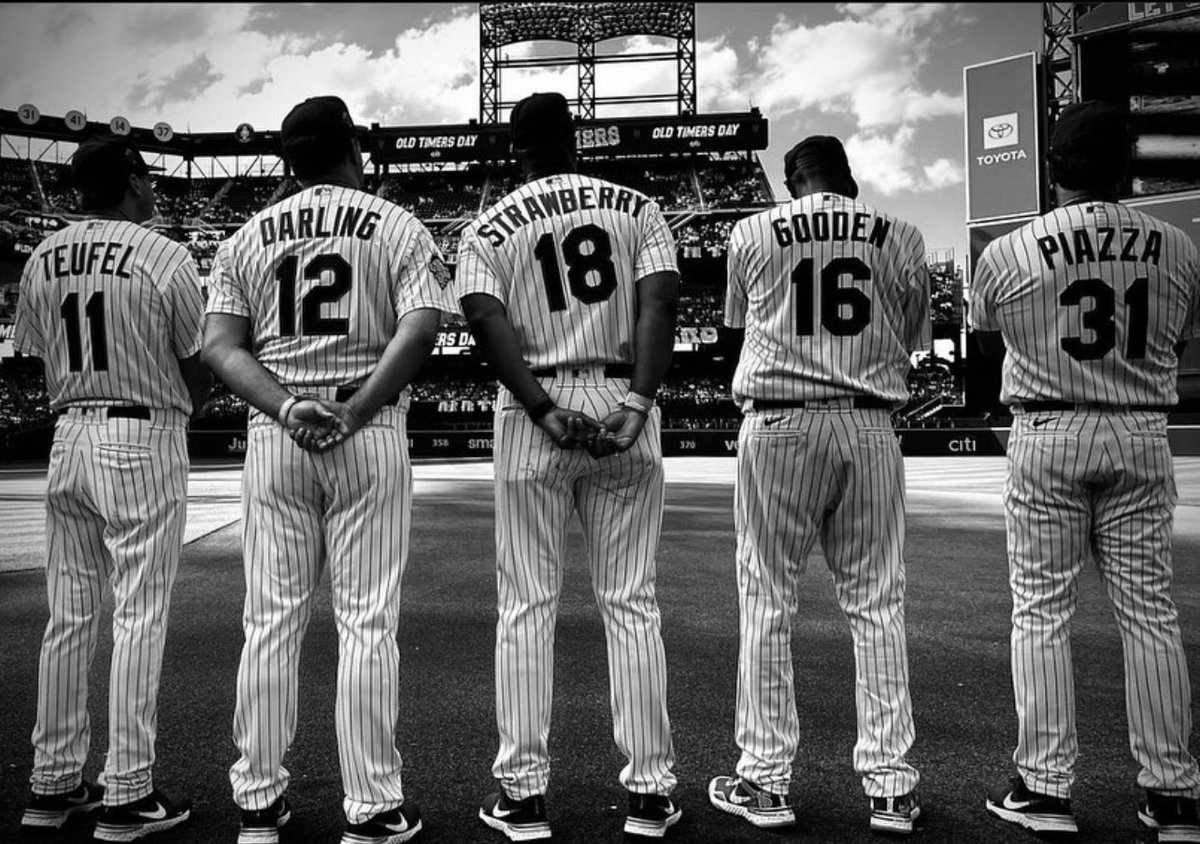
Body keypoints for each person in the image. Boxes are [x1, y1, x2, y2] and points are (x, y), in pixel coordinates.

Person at [202, 95, 453, 844]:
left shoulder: (245, 237)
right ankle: (373, 808)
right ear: (352, 149)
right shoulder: (396, 223)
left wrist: (283, 409)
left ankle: (256, 801)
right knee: (367, 622)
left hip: (278, 435)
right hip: (364, 430)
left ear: (288, 160)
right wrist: (361, 407)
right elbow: (423, 324)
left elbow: (221, 346)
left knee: (269, 622)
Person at [454, 91, 682, 841]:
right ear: (575, 141)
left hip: (533, 408)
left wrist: (542, 407)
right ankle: (650, 792)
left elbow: (484, 317)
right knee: (631, 602)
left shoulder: (488, 225)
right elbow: (659, 301)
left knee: (525, 606)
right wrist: (641, 399)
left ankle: (522, 795)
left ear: (516, 150)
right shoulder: (638, 207)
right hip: (623, 394)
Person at [971, 100, 1200, 841]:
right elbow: (1183, 337)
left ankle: (1044, 789)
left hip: (1048, 430)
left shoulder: (1008, 250)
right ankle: (1173, 796)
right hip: (1141, 431)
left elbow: (982, 342)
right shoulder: (1181, 246)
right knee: (1151, 616)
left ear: (1053, 168)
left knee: (1041, 612)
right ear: (1127, 166)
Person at [707, 135, 929, 836]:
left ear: (789, 180)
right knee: (877, 604)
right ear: (849, 178)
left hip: (778, 425)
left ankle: (765, 780)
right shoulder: (903, 234)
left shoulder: (750, 231)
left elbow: (732, 333)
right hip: (870, 425)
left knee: (767, 600)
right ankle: (891, 788)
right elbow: (913, 333)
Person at [15, 134, 209, 840]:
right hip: (142, 432)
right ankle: (128, 791)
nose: (154, 188)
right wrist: (186, 401)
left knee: (67, 618)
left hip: (68, 436)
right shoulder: (163, 254)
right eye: (148, 177)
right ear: (130, 180)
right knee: (139, 615)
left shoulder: (41, 256)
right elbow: (197, 364)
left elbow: (35, 354)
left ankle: (53, 783)